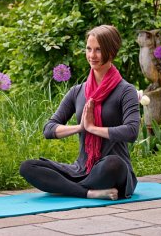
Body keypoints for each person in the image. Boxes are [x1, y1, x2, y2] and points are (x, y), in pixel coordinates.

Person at [19, 25, 140, 200]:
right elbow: (49, 129)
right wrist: (80, 127)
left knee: (114, 164)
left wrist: (92, 128)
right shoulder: (77, 91)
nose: (92, 55)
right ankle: (89, 193)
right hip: (82, 169)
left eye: (98, 50)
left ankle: (64, 187)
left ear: (112, 52)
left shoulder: (125, 90)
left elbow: (131, 131)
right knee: (28, 167)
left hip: (109, 170)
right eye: (89, 49)